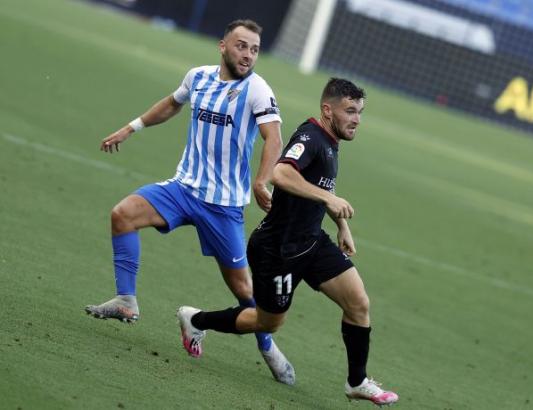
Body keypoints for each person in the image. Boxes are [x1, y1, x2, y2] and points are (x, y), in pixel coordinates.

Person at [85, 19, 295, 385]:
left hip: (223, 206)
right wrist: (130, 128)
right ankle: (125, 301)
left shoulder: (258, 90)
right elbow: (171, 104)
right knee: (122, 215)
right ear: (223, 46)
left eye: (254, 49)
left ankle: (267, 346)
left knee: (245, 291)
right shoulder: (198, 77)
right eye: (241, 46)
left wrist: (262, 180)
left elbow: (273, 139)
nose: (248, 55)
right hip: (182, 189)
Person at [176, 78, 398, 405]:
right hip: (277, 250)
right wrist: (329, 200)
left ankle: (357, 381)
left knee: (358, 303)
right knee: (267, 322)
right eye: (350, 111)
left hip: (311, 242)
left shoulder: (330, 141)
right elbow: (282, 174)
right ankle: (195, 320)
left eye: (360, 112)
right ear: (327, 110)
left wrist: (341, 226)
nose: (356, 119)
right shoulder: (309, 137)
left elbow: (323, 185)